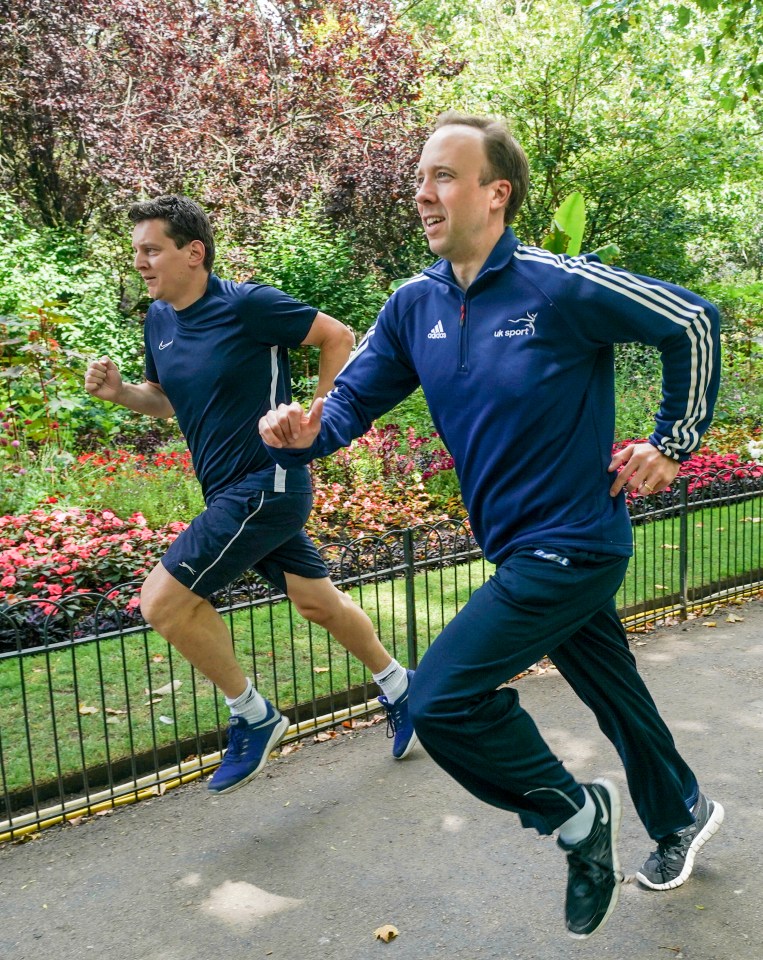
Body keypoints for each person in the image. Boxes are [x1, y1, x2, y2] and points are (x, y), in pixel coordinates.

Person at [258, 112, 725, 939]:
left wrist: (671, 443)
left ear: (494, 193)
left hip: (574, 543)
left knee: (441, 701)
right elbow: (354, 401)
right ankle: (681, 809)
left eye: (442, 175)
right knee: (611, 690)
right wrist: (308, 433)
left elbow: (690, 320)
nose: (421, 193)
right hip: (515, 545)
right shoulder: (414, 305)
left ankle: (577, 820)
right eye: (420, 177)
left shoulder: (557, 285)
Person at [84, 194, 417, 796]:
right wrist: (122, 395)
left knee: (161, 603)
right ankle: (401, 686)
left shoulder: (247, 306)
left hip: (269, 481)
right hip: (228, 493)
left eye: (151, 249)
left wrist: (321, 415)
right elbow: (167, 400)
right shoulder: (158, 319)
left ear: (193, 253)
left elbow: (336, 336)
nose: (140, 262)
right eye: (136, 251)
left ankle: (253, 716)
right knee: (317, 602)